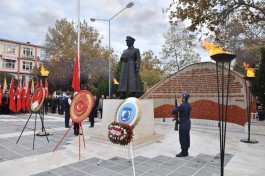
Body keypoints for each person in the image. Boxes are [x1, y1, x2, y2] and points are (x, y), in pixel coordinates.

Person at [172, 91, 192, 157]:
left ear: (183, 97)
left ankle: (183, 152)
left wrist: (177, 107)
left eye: (182, 96)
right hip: (187, 123)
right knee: (187, 137)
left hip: (183, 124)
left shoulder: (182, 105)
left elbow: (173, 111)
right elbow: (184, 115)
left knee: (182, 138)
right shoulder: (189, 105)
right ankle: (186, 151)